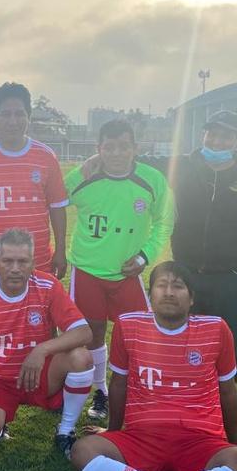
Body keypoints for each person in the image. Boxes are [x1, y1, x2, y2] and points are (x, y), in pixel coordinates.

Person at [70, 261, 237, 471]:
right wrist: (113, 431)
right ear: (150, 294)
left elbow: (227, 391)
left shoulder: (216, 329)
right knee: (83, 451)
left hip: (199, 438)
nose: (168, 292)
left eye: (178, 286)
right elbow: (119, 383)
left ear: (191, 298)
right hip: (142, 436)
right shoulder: (128, 325)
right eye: (161, 285)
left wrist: (236, 442)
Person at [83, 110, 237, 373]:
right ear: (203, 135)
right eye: (212, 134)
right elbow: (137, 159)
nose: (217, 141)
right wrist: (98, 157)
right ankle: (183, 387)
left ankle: (224, 390)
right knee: (182, 340)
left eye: (225, 136)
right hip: (186, 273)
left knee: (227, 341)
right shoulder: (184, 165)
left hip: (229, 276)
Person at [0, 228, 94, 464]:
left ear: (33, 263)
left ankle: (65, 431)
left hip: (38, 374)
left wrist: (41, 350)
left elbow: (84, 332)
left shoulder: (48, 286)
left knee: (81, 357)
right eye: (7, 261)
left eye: (22, 261)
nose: (15, 268)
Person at [65, 119, 174, 421]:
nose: (116, 153)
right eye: (109, 147)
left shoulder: (151, 180)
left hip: (129, 274)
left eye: (124, 146)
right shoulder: (85, 177)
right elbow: (55, 198)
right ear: (98, 149)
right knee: (93, 332)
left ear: (135, 148)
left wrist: (144, 256)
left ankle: (139, 391)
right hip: (87, 271)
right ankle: (100, 391)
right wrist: (80, 170)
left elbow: (165, 222)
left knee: (138, 334)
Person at [0, 82, 69, 289]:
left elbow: (57, 207)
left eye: (20, 114)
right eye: (5, 114)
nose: (13, 121)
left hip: (38, 260)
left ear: (29, 117)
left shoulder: (46, 156)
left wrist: (60, 250)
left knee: (40, 308)